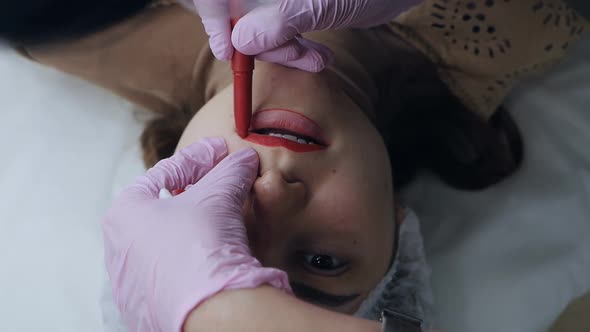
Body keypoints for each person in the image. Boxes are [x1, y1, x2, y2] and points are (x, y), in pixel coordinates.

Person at [2, 0, 587, 331]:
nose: (275, 193)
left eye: (222, 232)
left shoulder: (55, 27)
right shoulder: (517, 28)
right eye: (323, 261)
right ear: (395, 225)